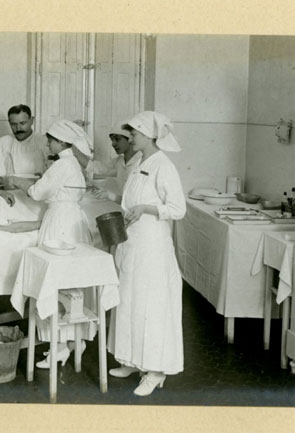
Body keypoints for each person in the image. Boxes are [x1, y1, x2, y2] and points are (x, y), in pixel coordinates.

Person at [107, 111, 186, 397]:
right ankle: (131, 360)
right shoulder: (141, 161)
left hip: (153, 247)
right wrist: (112, 197)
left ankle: (154, 370)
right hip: (133, 243)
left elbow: (178, 209)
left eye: (135, 134)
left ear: (150, 136)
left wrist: (147, 210)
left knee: (151, 307)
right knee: (129, 301)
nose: (130, 138)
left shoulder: (164, 165)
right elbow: (134, 200)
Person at [12, 119, 94, 369]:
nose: (47, 143)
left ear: (60, 142)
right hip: (74, 221)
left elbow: (37, 193)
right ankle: (72, 341)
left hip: (59, 222)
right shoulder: (71, 164)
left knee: (57, 284)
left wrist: (19, 183)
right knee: (73, 284)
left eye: (50, 140)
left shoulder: (62, 165)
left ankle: (60, 345)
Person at [86, 125, 142, 201]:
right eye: (112, 140)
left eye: (117, 139)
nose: (113, 144)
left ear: (130, 139)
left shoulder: (142, 161)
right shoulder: (119, 161)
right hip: (122, 205)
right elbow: (100, 168)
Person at [0, 104, 50, 176]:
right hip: (9, 187)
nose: (18, 128)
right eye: (13, 124)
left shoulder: (44, 141)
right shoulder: (2, 142)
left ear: (31, 120)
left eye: (22, 123)